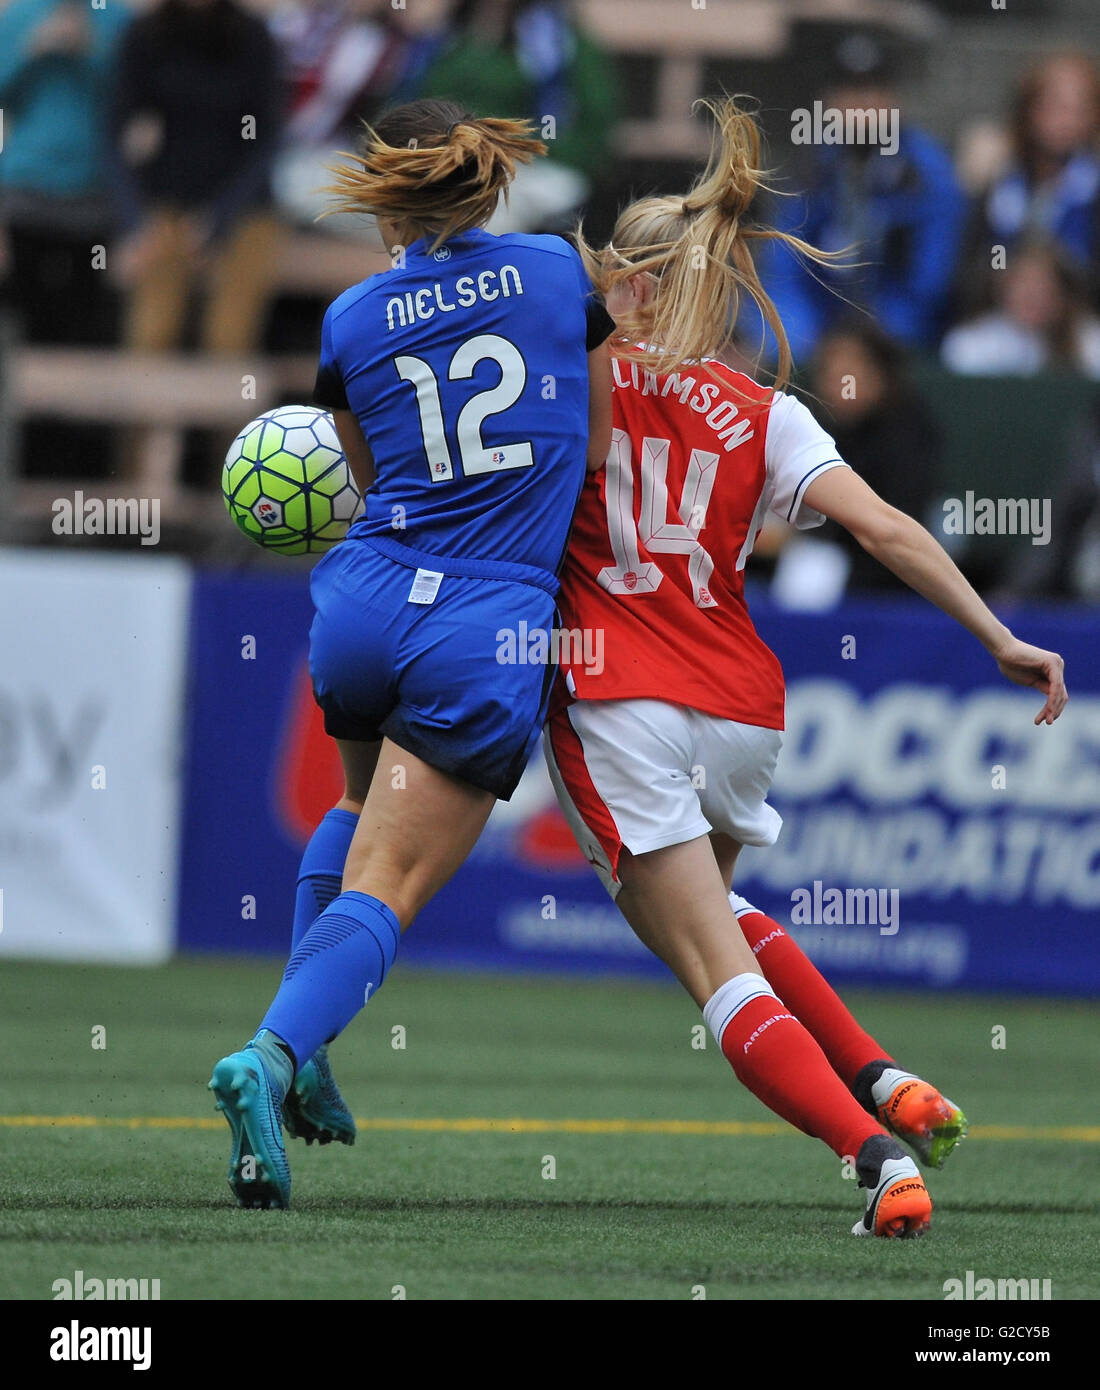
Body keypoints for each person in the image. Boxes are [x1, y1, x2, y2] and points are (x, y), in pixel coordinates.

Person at [543, 98, 1067, 1237]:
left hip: (616, 692)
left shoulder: (572, 380)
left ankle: (874, 1156)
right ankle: (884, 1078)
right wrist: (995, 634)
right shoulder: (763, 409)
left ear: (621, 281)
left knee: (709, 970)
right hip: (740, 704)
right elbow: (884, 529)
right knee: (717, 915)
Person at [208, 97, 616, 1209]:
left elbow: (365, 475)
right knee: (388, 884)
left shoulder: (348, 318)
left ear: (389, 198)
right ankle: (271, 1053)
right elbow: (600, 440)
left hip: (362, 598)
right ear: (490, 182)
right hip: (484, 619)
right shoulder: (548, 273)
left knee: (353, 816)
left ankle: (309, 1048)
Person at [759, 32, 965, 359]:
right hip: (821, 328)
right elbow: (783, 266)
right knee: (765, 327)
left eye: (871, 90)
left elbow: (930, 281)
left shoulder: (926, 171)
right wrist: (804, 336)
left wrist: (870, 340)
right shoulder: (812, 166)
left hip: (898, 332)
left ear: (892, 98)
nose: (860, 106)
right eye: (848, 92)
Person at [942, 237, 1100, 379]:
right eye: (1023, 286)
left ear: (1063, 294)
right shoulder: (972, 342)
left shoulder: (1089, 341)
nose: (1032, 297)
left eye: (1042, 287)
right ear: (1004, 289)